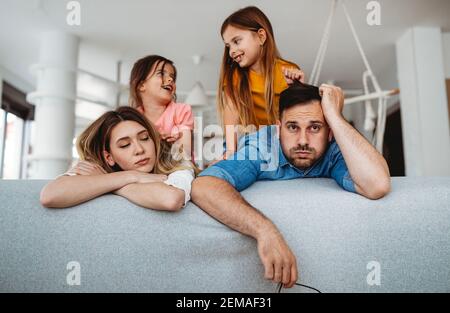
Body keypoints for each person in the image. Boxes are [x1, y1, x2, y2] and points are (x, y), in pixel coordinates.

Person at [192, 82, 391, 288]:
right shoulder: (262, 147)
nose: (303, 140)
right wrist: (265, 231)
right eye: (293, 127)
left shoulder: (332, 149)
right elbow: (204, 185)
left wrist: (335, 117)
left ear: (330, 132)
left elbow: (377, 184)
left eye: (315, 127)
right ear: (279, 129)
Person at [40, 106, 196, 211]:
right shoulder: (96, 168)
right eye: (125, 145)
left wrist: (109, 183)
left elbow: (171, 199)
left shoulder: (176, 162)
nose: (139, 149)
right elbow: (50, 195)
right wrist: (132, 176)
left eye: (144, 138)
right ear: (109, 157)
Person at [217, 6, 306, 159]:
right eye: (228, 46)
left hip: (281, 139)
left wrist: (298, 88)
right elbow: (231, 111)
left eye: (236, 41)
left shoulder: (288, 70)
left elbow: (302, 116)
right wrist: (231, 150)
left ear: (261, 37)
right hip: (250, 139)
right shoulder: (235, 76)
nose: (231, 51)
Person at [129, 54, 194, 161]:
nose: (170, 79)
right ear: (141, 85)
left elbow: (185, 152)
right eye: (161, 74)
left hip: (178, 166)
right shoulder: (133, 118)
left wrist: (173, 145)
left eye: (172, 77)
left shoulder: (181, 111)